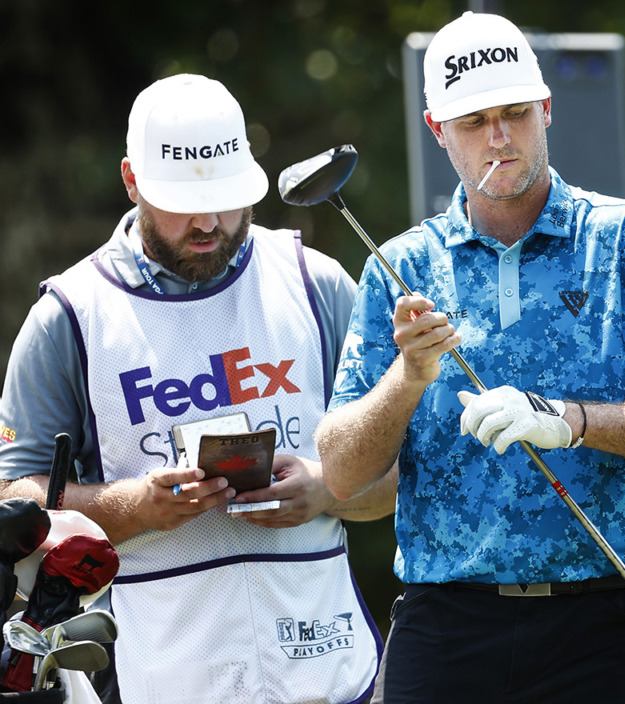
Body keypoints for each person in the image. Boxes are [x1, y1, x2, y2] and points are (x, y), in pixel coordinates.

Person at [315, 12, 625, 704]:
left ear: (546, 109)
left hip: (600, 620)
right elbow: (341, 471)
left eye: (515, 113)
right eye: (475, 122)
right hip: (447, 625)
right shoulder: (401, 265)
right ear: (437, 131)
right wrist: (408, 377)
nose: (500, 137)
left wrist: (571, 420)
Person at [0, 73, 396, 703]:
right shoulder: (69, 315)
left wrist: (328, 488)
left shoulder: (316, 283)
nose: (209, 220)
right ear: (131, 180)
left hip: (331, 672)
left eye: (228, 195)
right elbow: (15, 501)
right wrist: (135, 508)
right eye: (183, 199)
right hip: (159, 675)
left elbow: (409, 477)